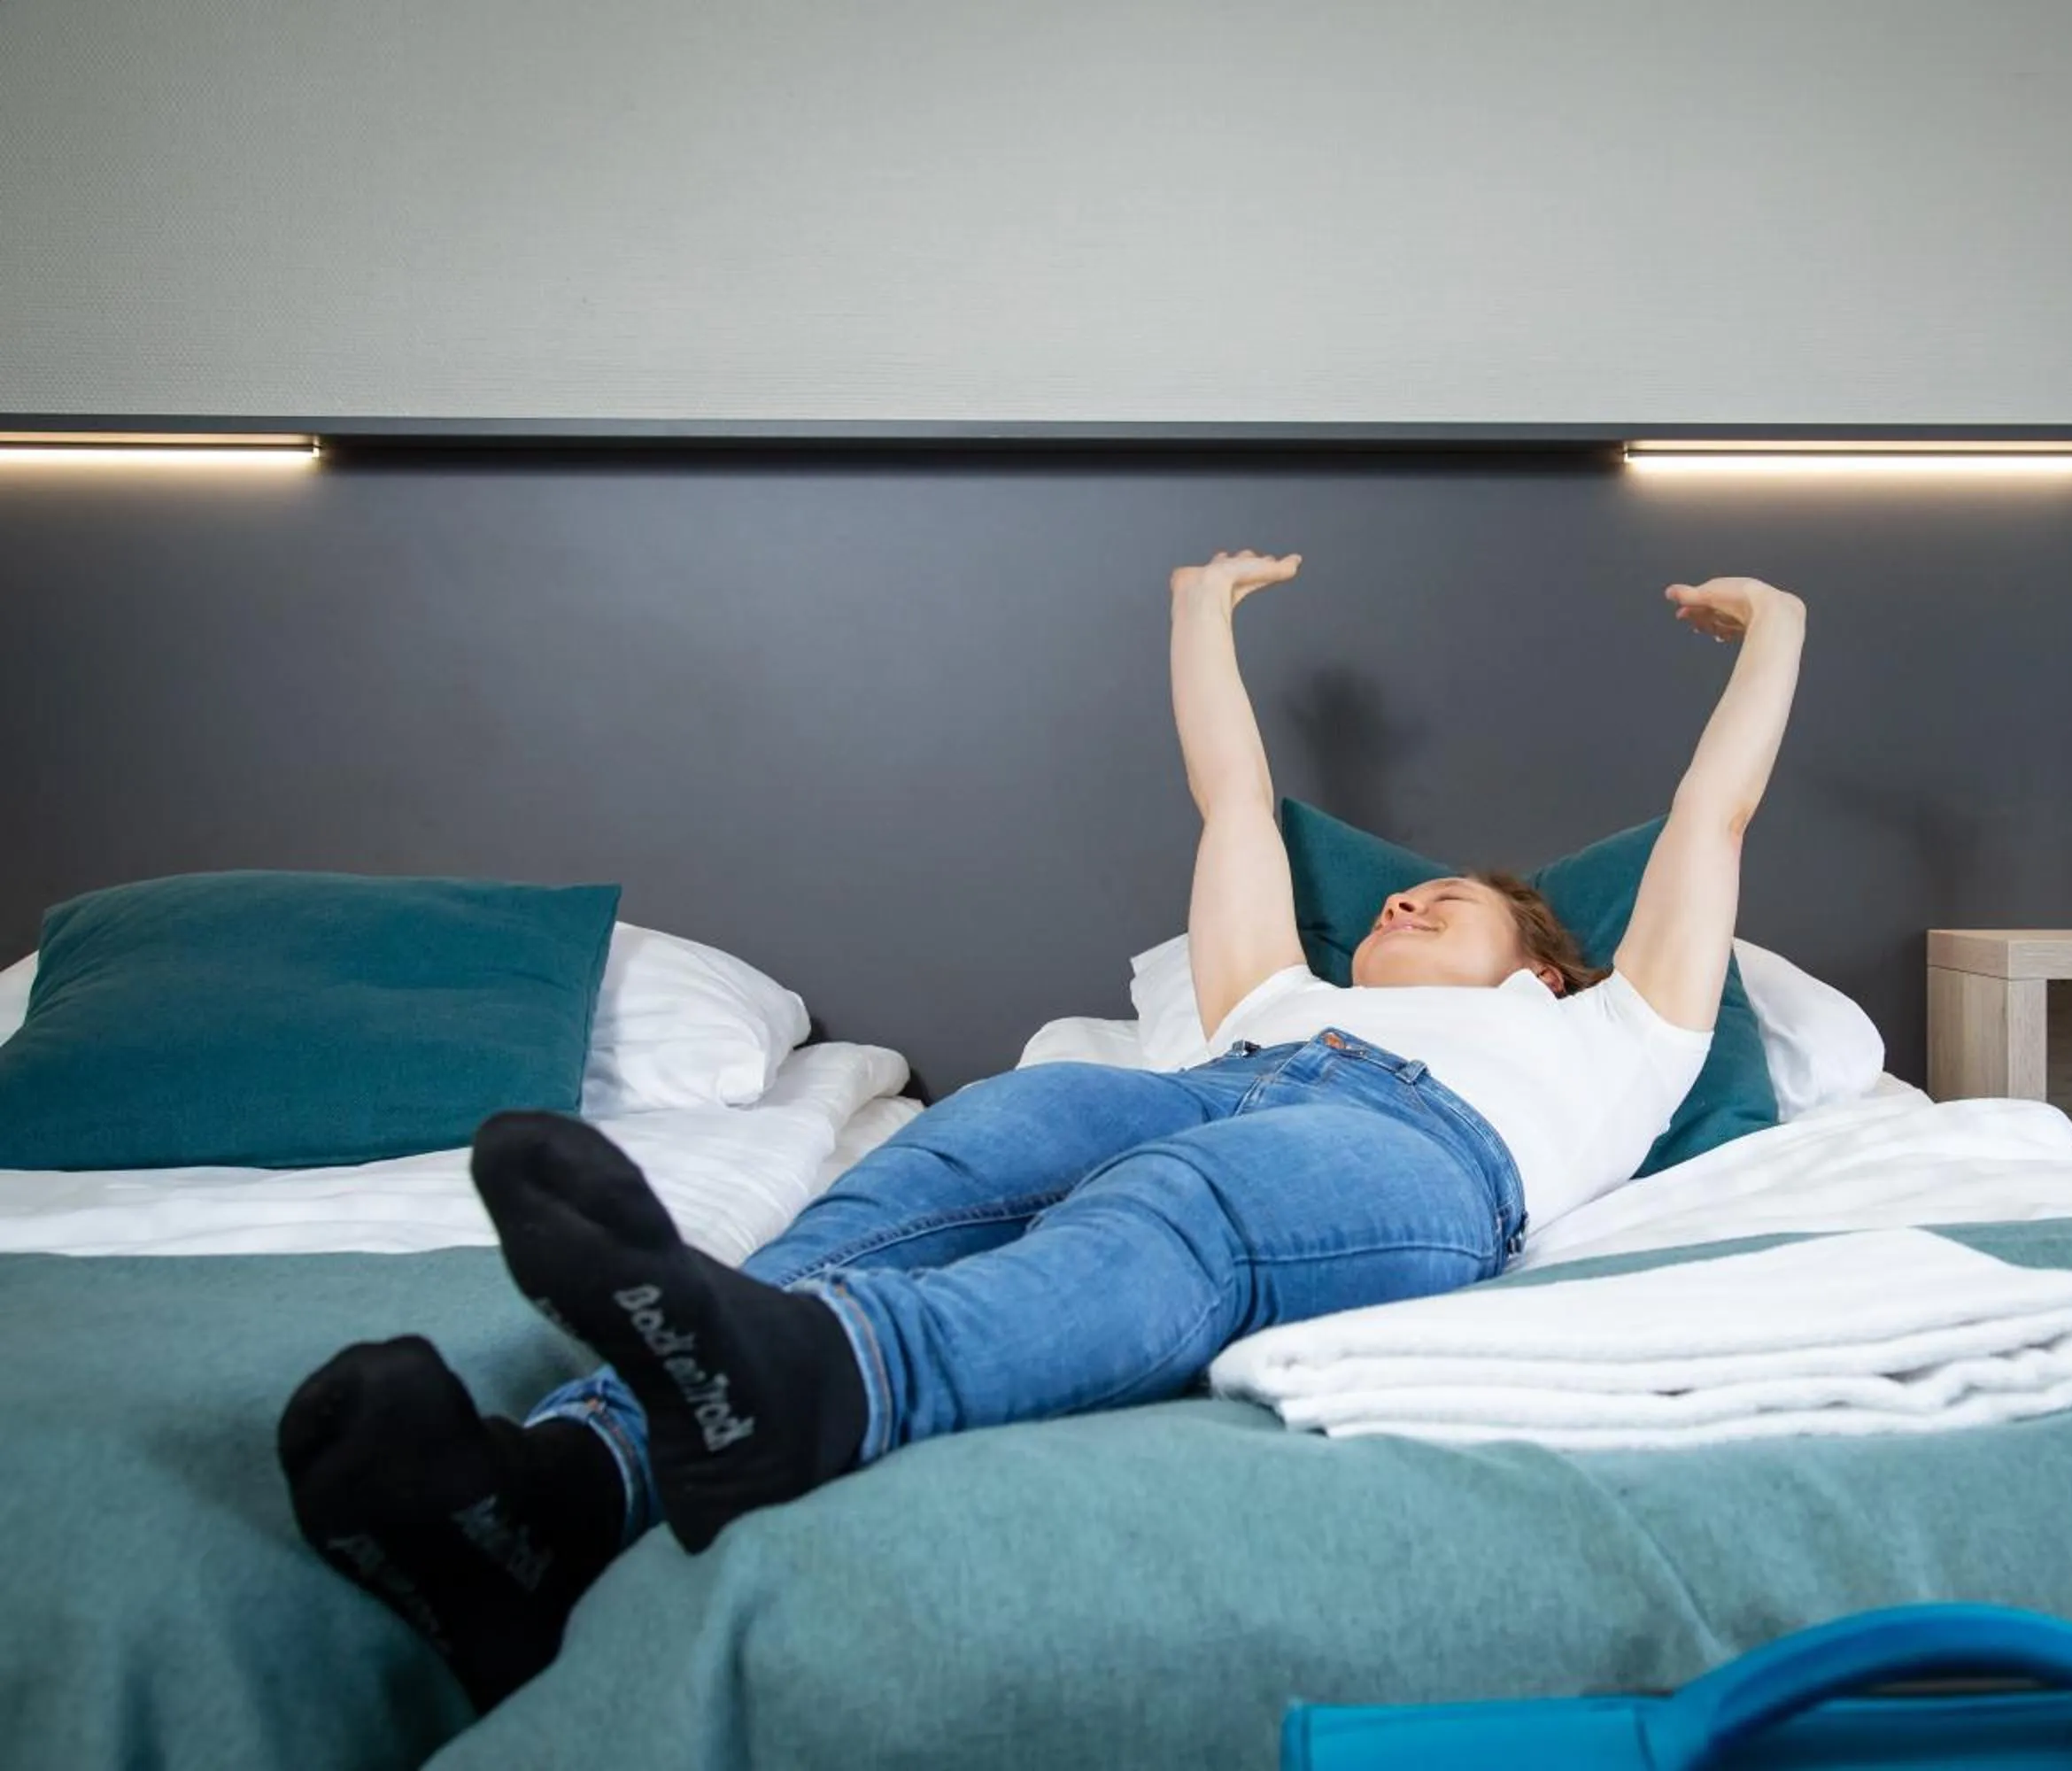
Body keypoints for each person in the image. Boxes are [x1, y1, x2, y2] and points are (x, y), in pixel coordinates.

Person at [277, 551, 1808, 1708]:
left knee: (1180, 1197)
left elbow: (1709, 822)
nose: (1404, 898)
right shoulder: (1274, 994)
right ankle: (547, 1497)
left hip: (1414, 1155)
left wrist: (1782, 632)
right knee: (966, 1150)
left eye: (1449, 900)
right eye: (1401, 895)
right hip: (1206, 1090)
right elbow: (1231, 804)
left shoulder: (1615, 1030)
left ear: (1543, 960)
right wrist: (1198, 610)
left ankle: (845, 1385)